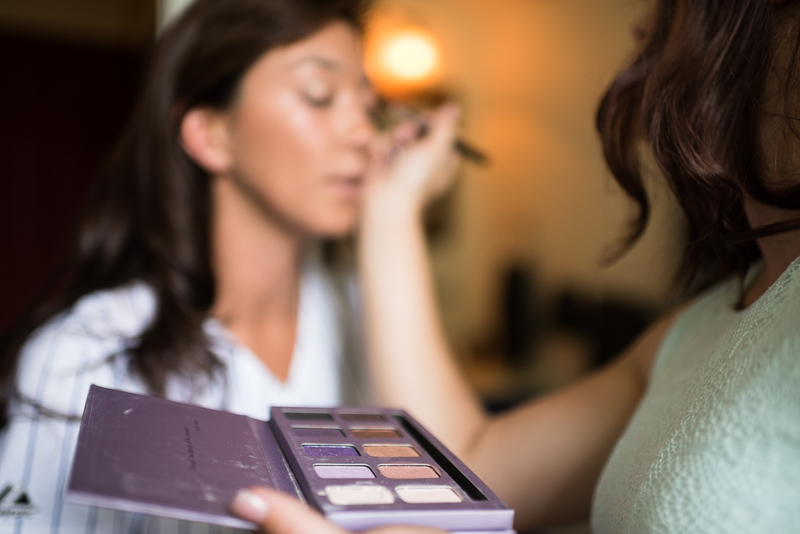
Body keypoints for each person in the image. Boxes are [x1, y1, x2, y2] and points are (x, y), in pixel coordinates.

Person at [228, 0, 800, 532]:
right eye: (318, 94)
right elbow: (462, 466)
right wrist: (390, 208)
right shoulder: (691, 334)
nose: (642, 26)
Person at [0, 0, 379, 531]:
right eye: (319, 96)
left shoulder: (374, 320)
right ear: (210, 134)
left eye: (369, 105)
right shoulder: (85, 355)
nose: (364, 134)